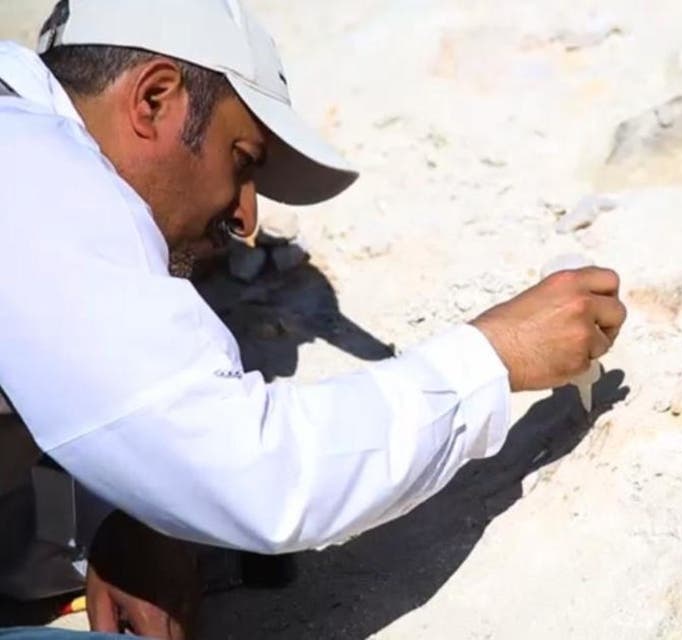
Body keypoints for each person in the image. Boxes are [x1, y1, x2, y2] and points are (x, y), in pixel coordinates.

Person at [0, 0, 626, 637]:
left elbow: (59, 411)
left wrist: (139, 512)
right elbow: (257, 477)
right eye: (242, 160)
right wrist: (495, 356)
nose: (246, 218)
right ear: (154, 100)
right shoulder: (35, 172)